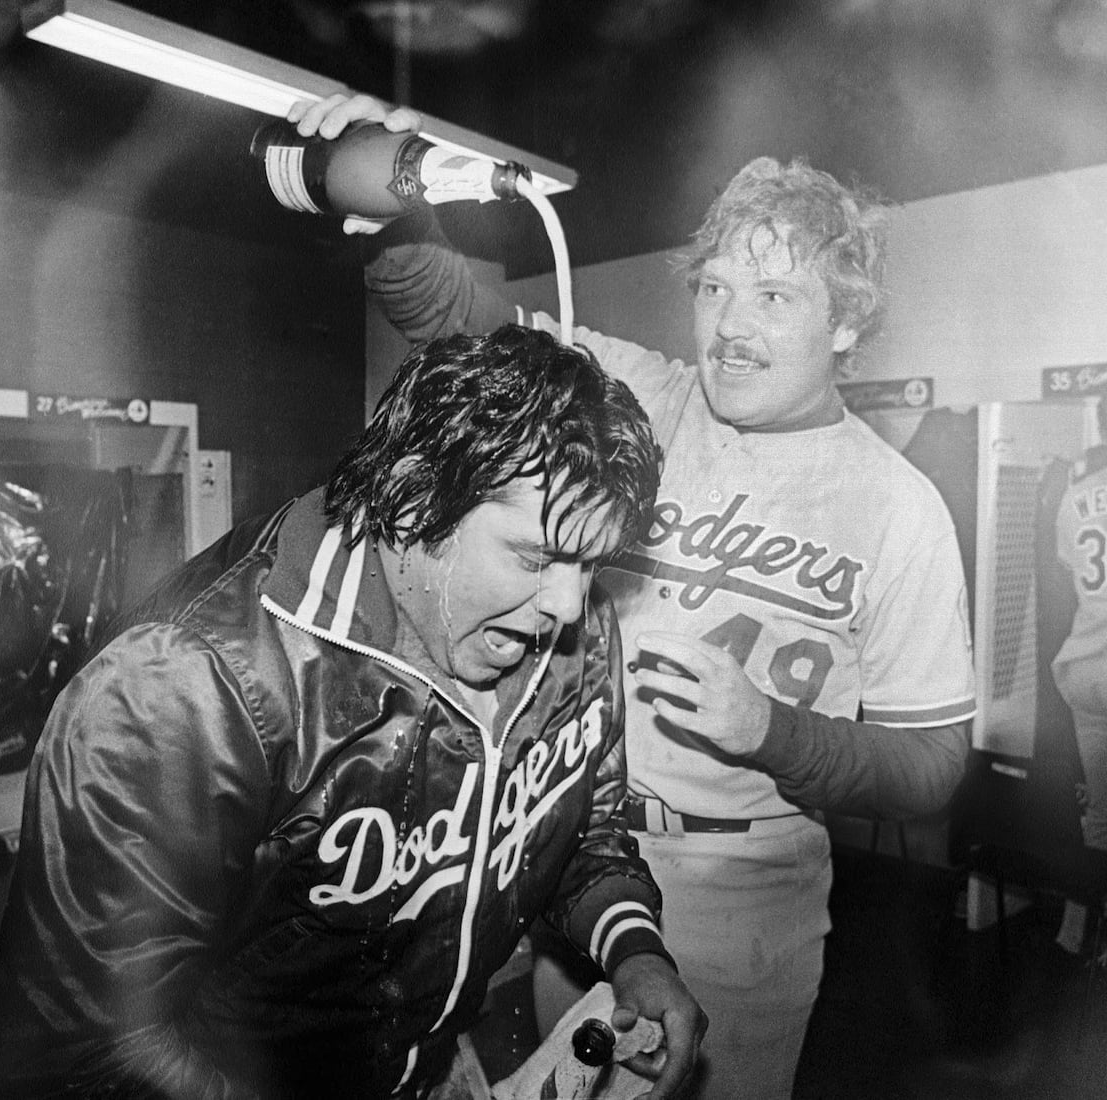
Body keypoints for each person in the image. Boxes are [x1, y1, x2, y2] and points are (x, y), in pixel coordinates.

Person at [289, 94, 977, 1100]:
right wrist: (399, 208)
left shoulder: (899, 506)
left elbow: (931, 763)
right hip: (567, 854)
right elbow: (453, 324)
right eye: (713, 286)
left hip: (741, 896)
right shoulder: (639, 394)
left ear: (847, 323)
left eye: (775, 296)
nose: (730, 325)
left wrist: (772, 731)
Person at [0, 324, 705, 1099]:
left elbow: (582, 832)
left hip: (435, 1061)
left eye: (591, 562)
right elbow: (84, 1050)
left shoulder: (574, 623)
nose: (568, 603)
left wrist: (638, 954)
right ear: (415, 497)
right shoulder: (184, 685)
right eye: (534, 559)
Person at [1049, 397, 1107, 956]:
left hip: (1086, 668)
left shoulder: (1075, 493)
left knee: (1099, 814)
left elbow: (1071, 570)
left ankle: (1074, 930)